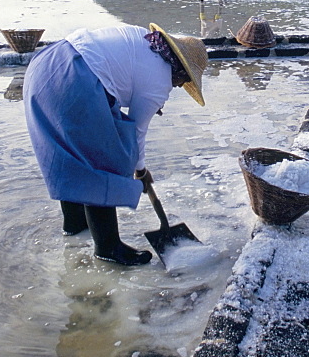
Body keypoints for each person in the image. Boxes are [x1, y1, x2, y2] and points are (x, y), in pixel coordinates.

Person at [23, 22, 208, 267]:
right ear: (181, 70)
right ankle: (108, 247)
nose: (178, 86)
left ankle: (76, 223)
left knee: (68, 153)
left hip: (48, 65)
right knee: (104, 160)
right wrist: (140, 170)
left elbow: (116, 74)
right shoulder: (160, 79)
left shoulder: (144, 39)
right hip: (78, 79)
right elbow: (136, 131)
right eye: (183, 81)